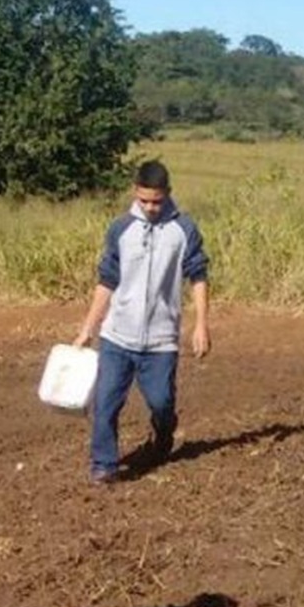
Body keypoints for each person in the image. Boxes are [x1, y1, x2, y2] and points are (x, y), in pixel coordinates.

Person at [74, 160, 210, 483]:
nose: (150, 207)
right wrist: (87, 329)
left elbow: (198, 276)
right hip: (117, 337)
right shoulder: (121, 228)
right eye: (144, 200)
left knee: (162, 403)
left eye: (157, 201)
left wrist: (201, 323)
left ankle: (163, 436)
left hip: (161, 340)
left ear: (168, 195)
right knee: (106, 402)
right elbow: (107, 281)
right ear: (135, 192)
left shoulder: (184, 229)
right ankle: (103, 465)